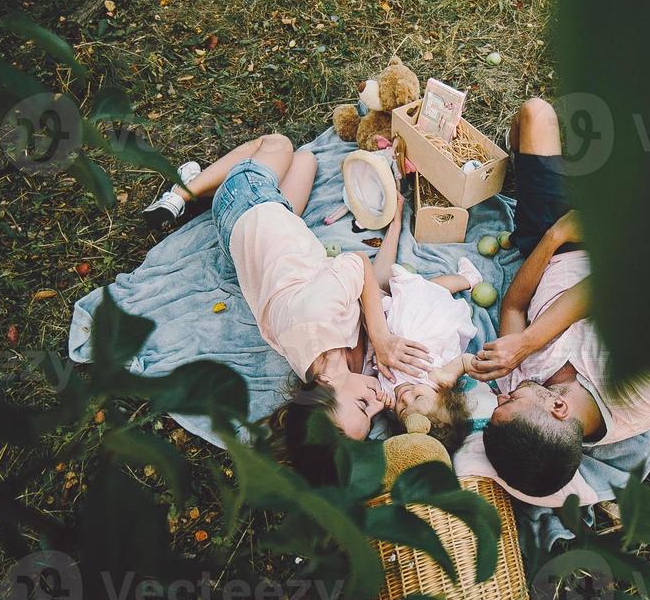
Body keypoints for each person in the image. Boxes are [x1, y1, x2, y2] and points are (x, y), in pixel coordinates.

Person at [140, 133, 431, 484]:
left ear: (323, 385)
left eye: (362, 405)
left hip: (246, 206)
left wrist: (382, 338)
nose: (379, 402)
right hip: (273, 229)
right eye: (373, 414)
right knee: (306, 159)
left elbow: (358, 262)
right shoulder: (331, 368)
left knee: (278, 144)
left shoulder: (317, 321)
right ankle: (201, 187)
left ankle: (181, 193)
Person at [471, 99, 650, 498]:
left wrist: (552, 237)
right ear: (558, 410)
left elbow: (512, 305)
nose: (506, 392)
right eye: (511, 401)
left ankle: (538, 167)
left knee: (534, 113)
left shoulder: (522, 383)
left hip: (548, 244)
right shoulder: (638, 394)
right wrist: (528, 342)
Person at [362, 195, 487, 453]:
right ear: (444, 397)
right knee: (434, 287)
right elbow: (464, 361)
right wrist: (470, 367)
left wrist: (384, 400)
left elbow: (379, 387)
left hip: (394, 324)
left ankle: (394, 228)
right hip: (429, 316)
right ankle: (467, 279)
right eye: (417, 397)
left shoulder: (389, 397)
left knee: (382, 287)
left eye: (402, 409)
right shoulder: (439, 380)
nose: (405, 396)